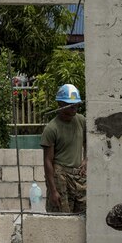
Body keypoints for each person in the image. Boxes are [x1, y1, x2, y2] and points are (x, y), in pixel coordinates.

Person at [40, 84, 86, 213]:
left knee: (83, 214)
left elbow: (89, 141)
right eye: (70, 105)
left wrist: (86, 159)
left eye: (76, 105)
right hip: (60, 177)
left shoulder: (81, 121)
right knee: (62, 214)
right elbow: (48, 161)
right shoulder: (51, 128)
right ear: (60, 104)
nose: (73, 109)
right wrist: (53, 190)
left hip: (78, 176)